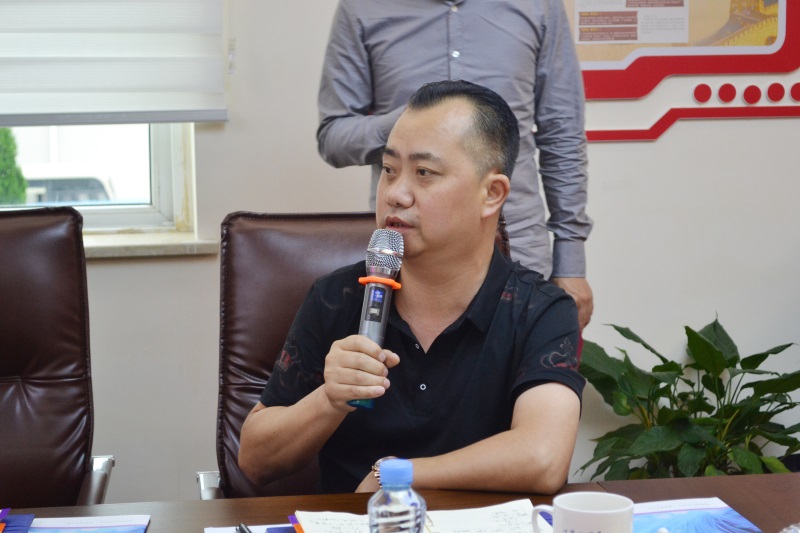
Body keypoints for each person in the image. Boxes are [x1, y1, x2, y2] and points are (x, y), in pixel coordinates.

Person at [240, 80, 584, 495]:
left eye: (424, 173)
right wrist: (329, 399)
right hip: (354, 522)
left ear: (492, 194)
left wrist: (397, 475)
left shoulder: (540, 310)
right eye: (389, 170)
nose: (396, 194)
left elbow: (543, 456)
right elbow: (255, 461)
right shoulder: (338, 298)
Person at [316, 0, 594, 329]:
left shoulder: (540, 6)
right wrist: (411, 123)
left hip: (519, 244)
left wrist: (571, 261)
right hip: (411, 255)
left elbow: (562, 135)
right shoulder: (361, 7)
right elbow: (333, 136)